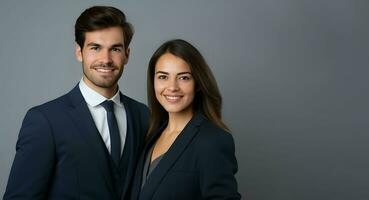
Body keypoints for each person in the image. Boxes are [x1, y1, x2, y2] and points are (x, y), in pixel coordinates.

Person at [4, 6, 149, 200]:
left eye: (115, 49)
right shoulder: (45, 121)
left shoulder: (143, 115)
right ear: (79, 52)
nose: (105, 59)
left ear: (127, 55)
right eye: (95, 48)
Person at [130, 39, 241, 200]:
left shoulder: (213, 140)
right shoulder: (150, 135)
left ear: (197, 83)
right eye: (163, 77)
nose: (172, 87)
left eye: (183, 78)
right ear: (153, 81)